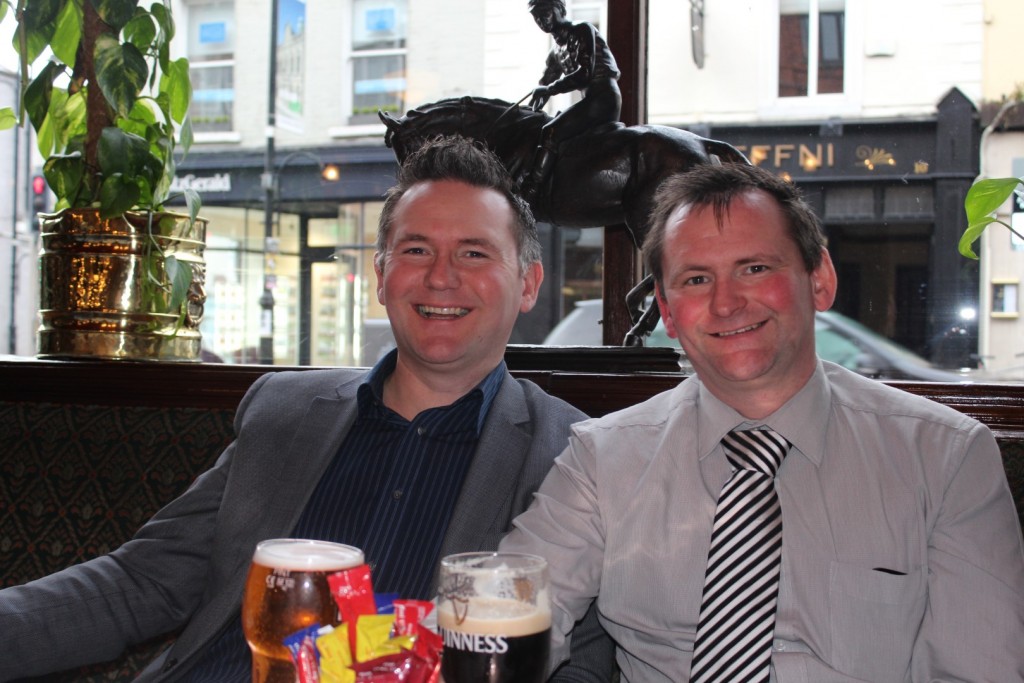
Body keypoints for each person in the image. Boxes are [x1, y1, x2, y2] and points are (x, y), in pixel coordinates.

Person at [0, 136, 614, 682]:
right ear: (381, 275)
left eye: (474, 253)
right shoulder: (284, 412)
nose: (440, 278)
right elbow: (142, 581)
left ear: (528, 284)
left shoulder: (573, 454)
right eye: (416, 250)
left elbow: (582, 664)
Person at [501, 162, 1024, 681]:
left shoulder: (946, 459)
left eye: (754, 268)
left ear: (820, 279)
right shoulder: (600, 461)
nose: (726, 303)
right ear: (666, 309)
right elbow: (507, 619)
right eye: (696, 278)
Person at [520, 0, 621, 202]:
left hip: (603, 98)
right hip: (590, 100)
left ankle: (532, 190)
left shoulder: (581, 30)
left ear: (560, 9)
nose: (541, 20)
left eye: (545, 13)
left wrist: (549, 89)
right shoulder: (555, 52)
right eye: (536, 16)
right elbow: (545, 82)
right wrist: (529, 110)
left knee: (551, 131)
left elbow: (585, 73)